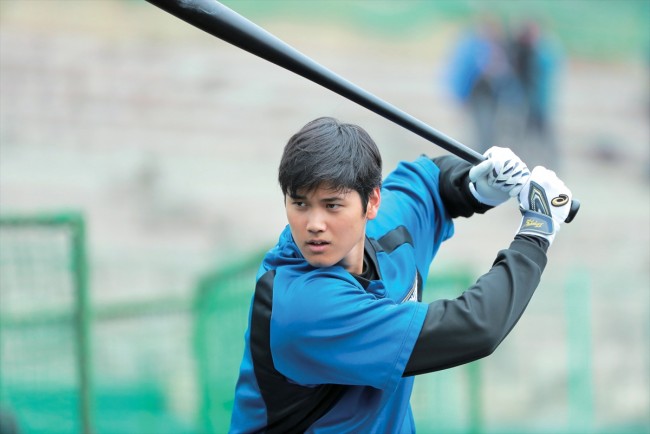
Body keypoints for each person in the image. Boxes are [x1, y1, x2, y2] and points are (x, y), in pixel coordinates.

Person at [229, 117, 573, 433]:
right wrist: (536, 231)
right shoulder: (303, 307)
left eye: (332, 205)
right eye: (300, 203)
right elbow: (477, 327)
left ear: (372, 202)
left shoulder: (388, 228)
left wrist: (473, 186)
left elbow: (429, 179)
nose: (314, 224)